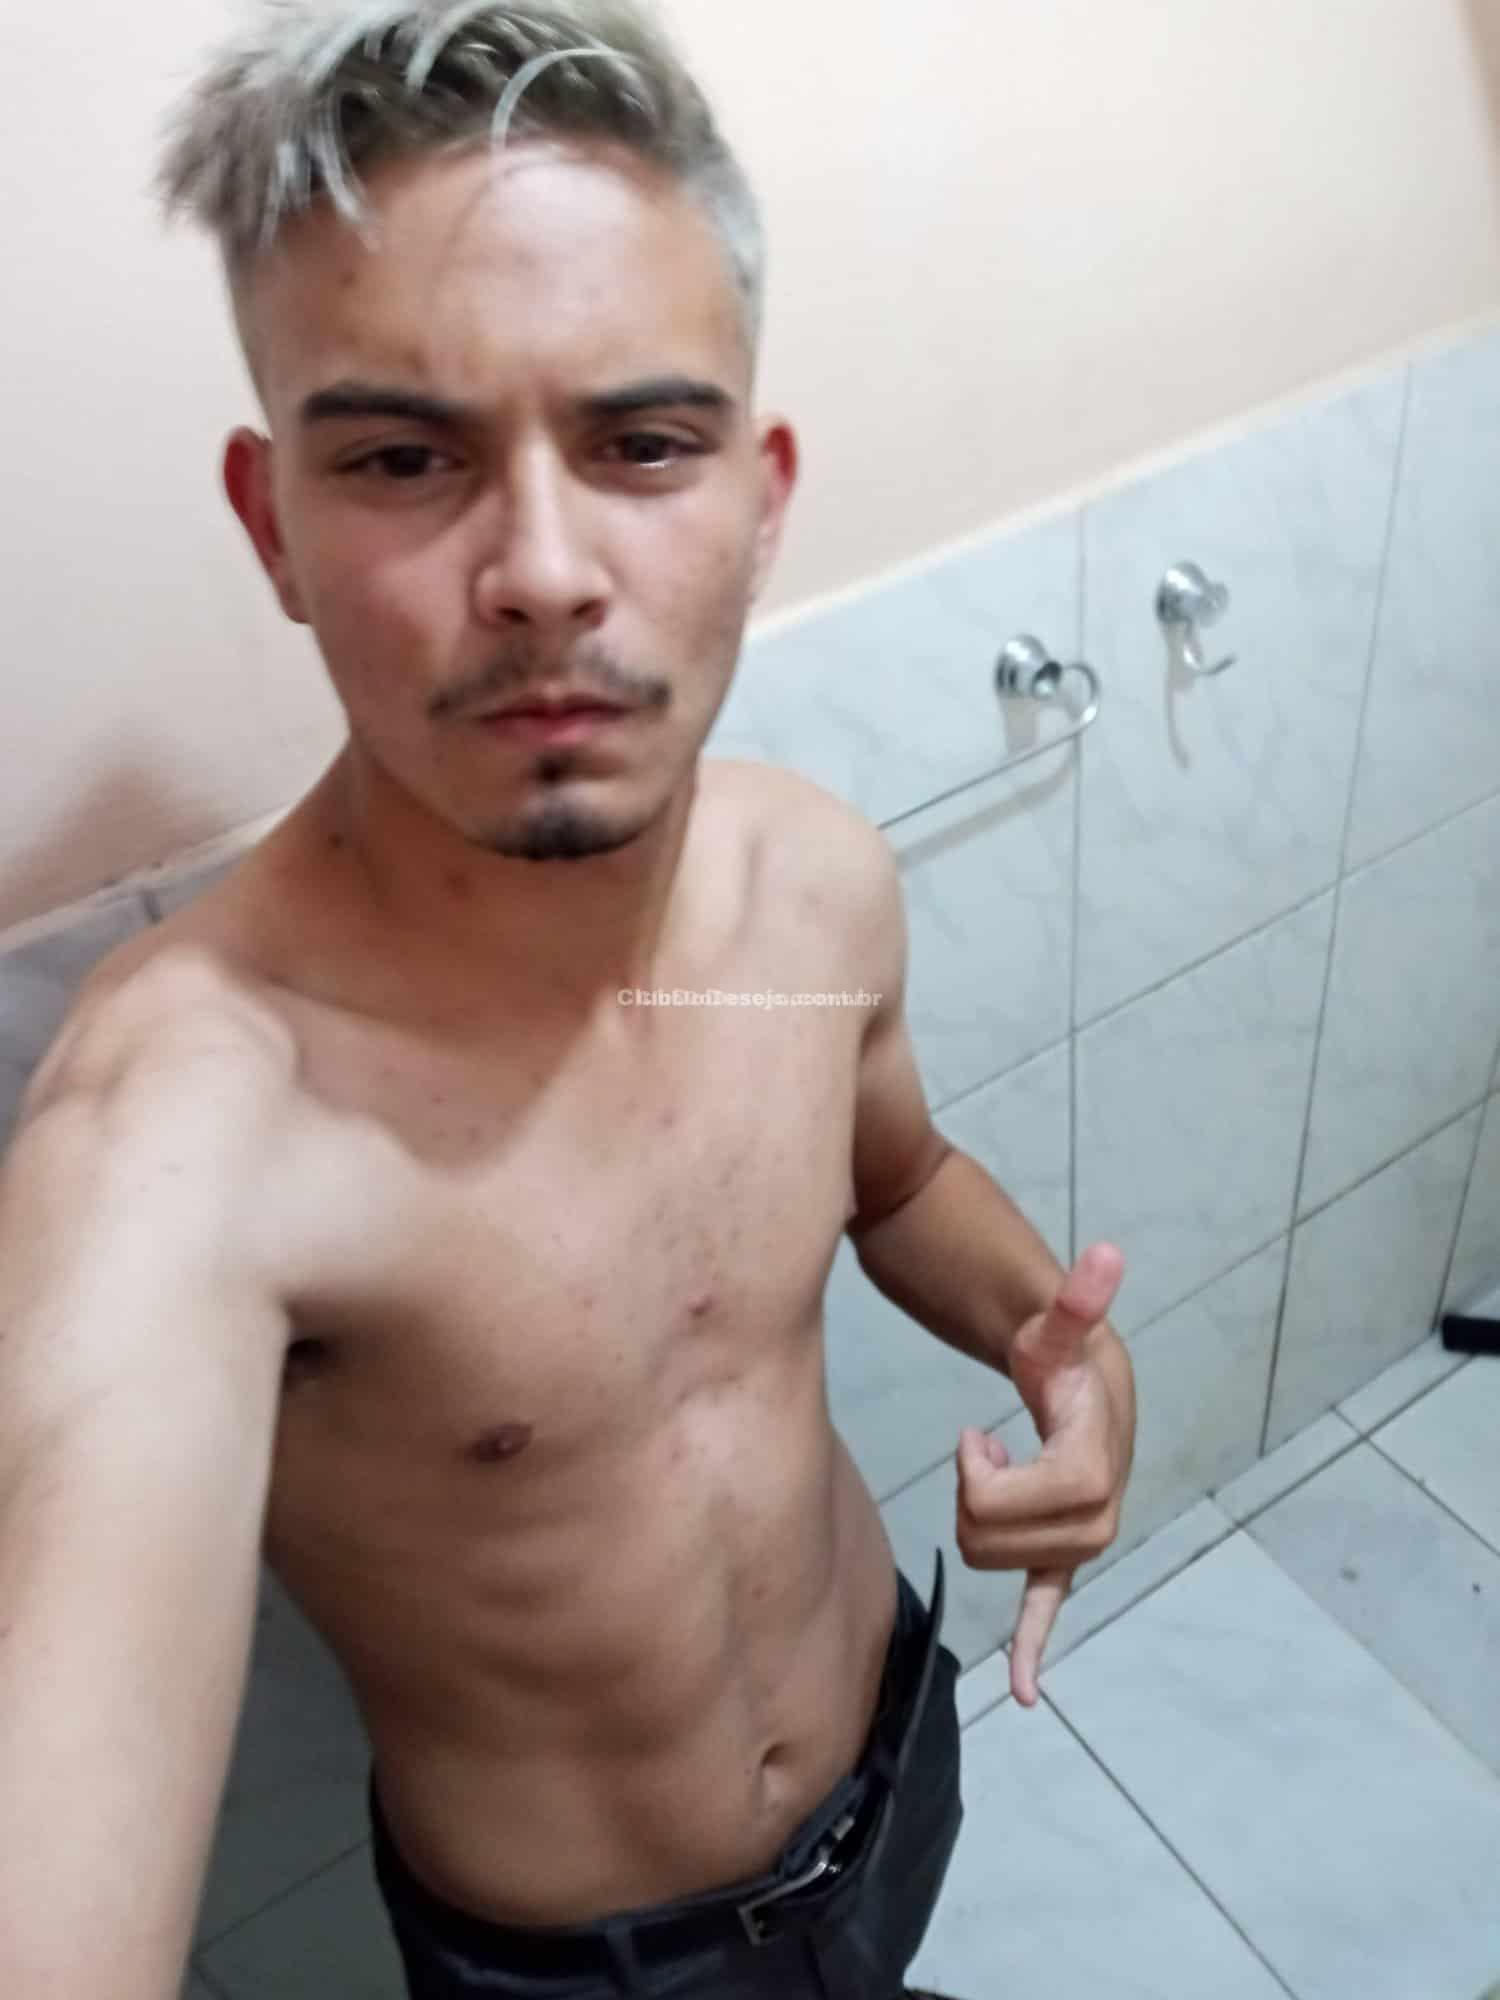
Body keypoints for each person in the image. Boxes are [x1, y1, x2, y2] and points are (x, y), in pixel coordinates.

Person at [0, 4, 1137, 1996]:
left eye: (642, 443)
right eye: (403, 456)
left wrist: (1064, 1358)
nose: (540, 569)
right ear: (275, 524)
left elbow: (899, 1179)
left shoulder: (813, 878)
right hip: (588, 1969)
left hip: (894, 1752)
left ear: (760, 501)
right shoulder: (180, 1137)